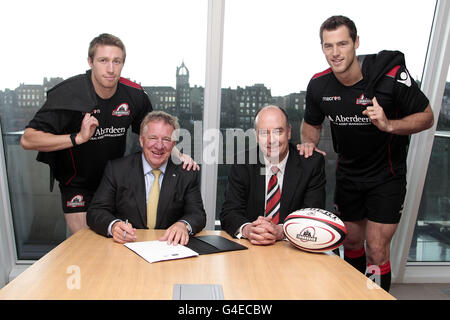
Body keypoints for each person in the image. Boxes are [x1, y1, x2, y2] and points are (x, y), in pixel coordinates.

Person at [298, 15, 434, 291]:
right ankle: (353, 295)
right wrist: (309, 144)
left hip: (387, 175)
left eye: (342, 44)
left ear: (356, 43)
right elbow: (310, 123)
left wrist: (388, 124)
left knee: (376, 249)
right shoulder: (319, 85)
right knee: (350, 242)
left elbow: (427, 117)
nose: (335, 53)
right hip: (349, 174)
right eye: (328, 46)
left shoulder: (391, 77)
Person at [20, 33, 196, 235]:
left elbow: (153, 134)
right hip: (77, 183)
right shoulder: (68, 94)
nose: (111, 69)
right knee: (86, 244)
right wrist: (78, 138)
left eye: (117, 61)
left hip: (115, 180)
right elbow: (28, 138)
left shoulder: (135, 95)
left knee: (119, 239)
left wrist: (178, 155)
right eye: (103, 60)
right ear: (90, 62)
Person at [87, 111, 206, 245]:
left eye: (166, 139)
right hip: (125, 247)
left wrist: (183, 225)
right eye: (153, 138)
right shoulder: (117, 169)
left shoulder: (186, 173)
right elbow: (96, 211)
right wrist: (114, 226)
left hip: (169, 247)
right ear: (141, 140)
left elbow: (197, 214)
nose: (159, 146)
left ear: (173, 145)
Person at [220, 105, 326, 245]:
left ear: (288, 133)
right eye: (264, 133)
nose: (271, 140)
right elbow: (229, 213)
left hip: (295, 248)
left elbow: (313, 216)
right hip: (253, 248)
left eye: (278, 131)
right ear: (256, 136)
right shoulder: (242, 163)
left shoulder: (311, 164)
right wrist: (247, 229)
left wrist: (282, 231)